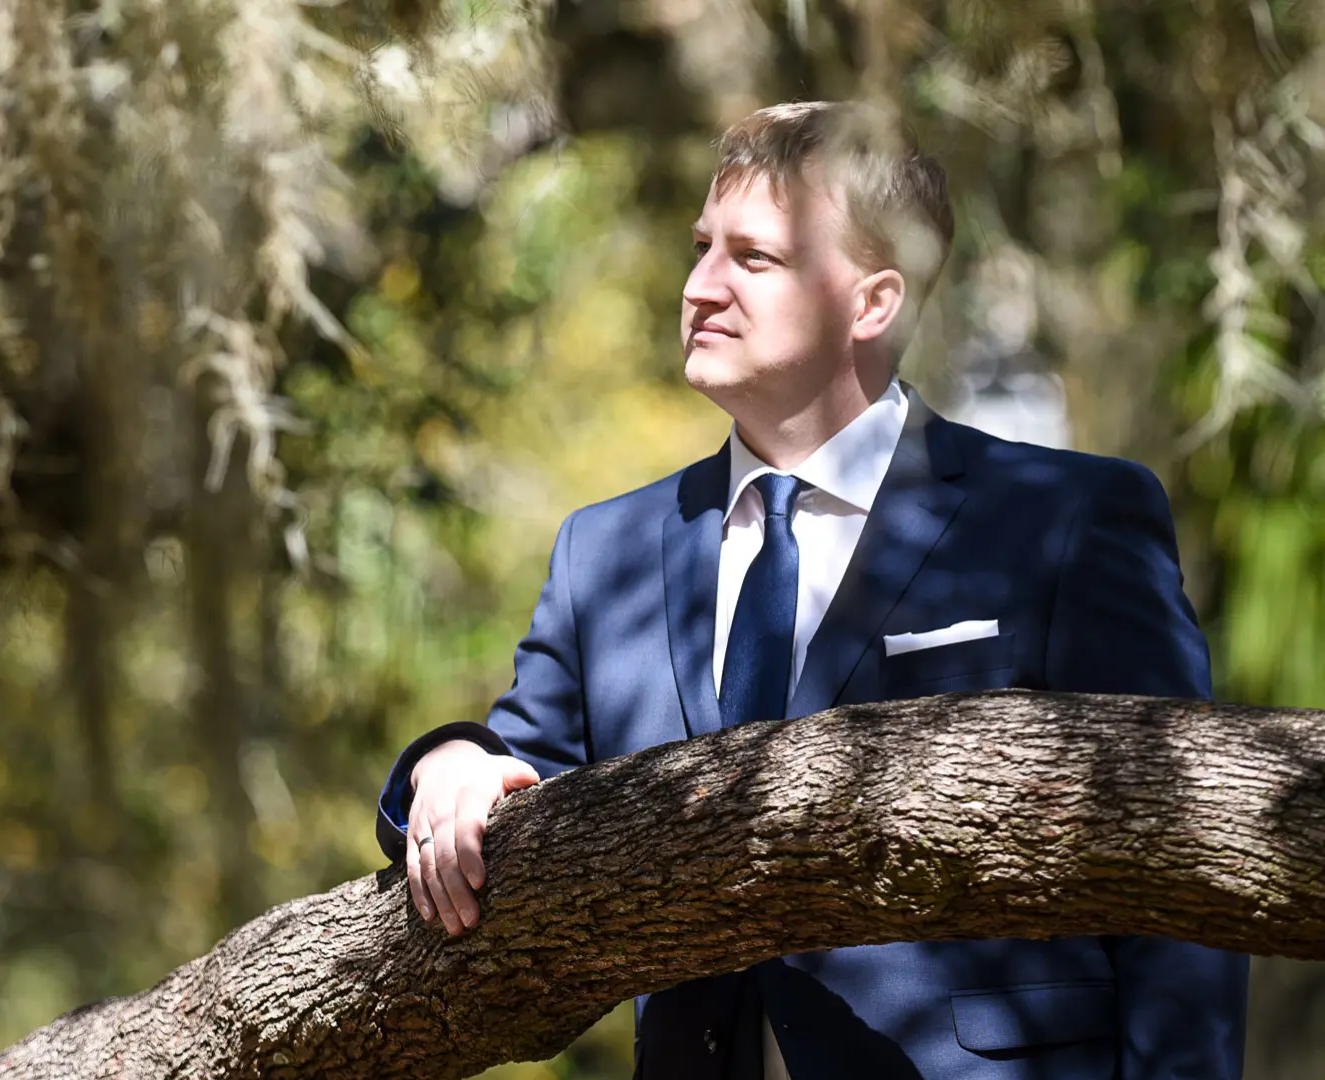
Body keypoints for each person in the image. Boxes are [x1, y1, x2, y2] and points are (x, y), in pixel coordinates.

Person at [371, 101, 1248, 1080]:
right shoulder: (602, 551)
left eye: (754, 259)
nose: (700, 286)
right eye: (701, 246)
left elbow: (1185, 876)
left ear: (871, 302)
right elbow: (518, 773)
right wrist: (447, 765)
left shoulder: (1067, 522)